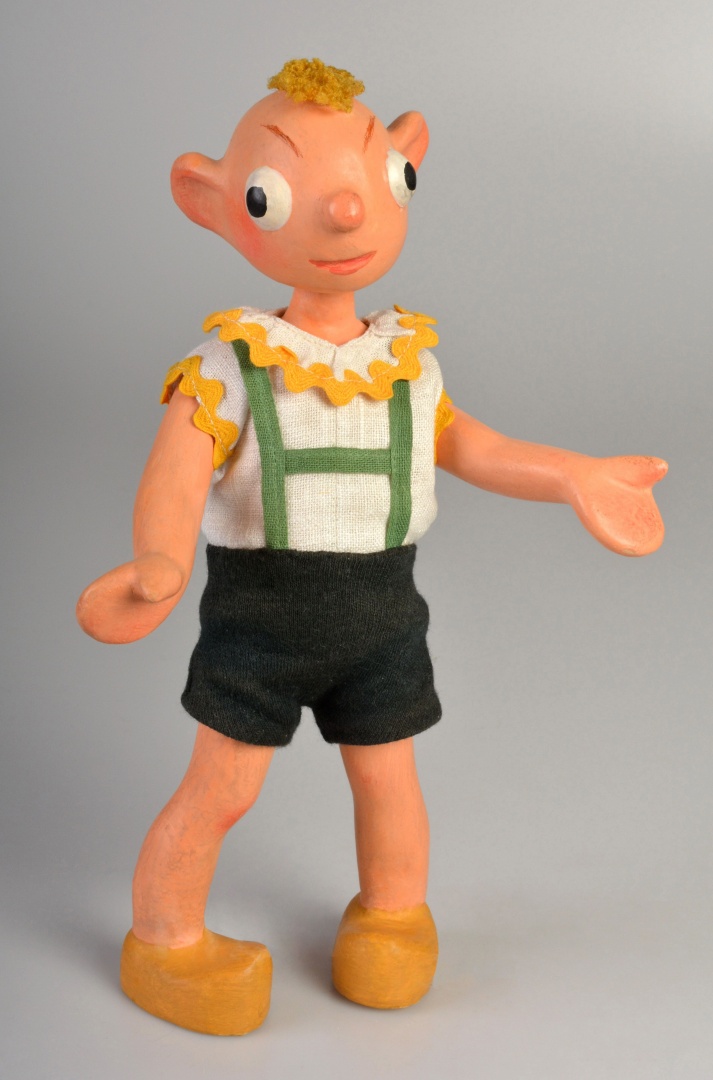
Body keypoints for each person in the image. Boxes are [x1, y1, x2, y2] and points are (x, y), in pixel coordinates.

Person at [76, 58, 667, 1035]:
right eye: (272, 196)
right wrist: (159, 565)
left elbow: (472, 446)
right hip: (258, 623)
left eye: (384, 179)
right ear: (214, 205)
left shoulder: (405, 365)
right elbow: (175, 477)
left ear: (404, 173)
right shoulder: (229, 366)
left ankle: (392, 918)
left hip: (384, 618)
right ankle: (164, 937)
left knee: (387, 778)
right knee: (221, 789)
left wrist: (572, 473)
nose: (346, 215)